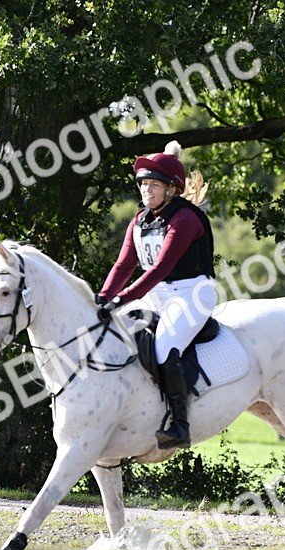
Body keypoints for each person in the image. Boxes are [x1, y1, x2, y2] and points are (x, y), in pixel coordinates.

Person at [97, 141, 216, 450]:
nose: (146, 190)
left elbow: (160, 269)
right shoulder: (139, 221)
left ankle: (180, 426)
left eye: (153, 185)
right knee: (113, 334)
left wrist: (121, 299)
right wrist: (103, 297)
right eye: (143, 184)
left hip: (192, 294)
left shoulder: (185, 218)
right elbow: (124, 265)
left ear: (172, 189)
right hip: (157, 293)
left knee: (163, 347)